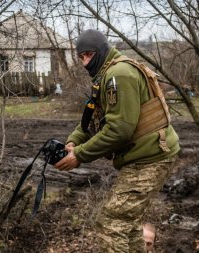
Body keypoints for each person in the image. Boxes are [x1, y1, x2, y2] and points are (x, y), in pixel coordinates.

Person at [54, 29, 180, 252]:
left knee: (111, 223)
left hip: (150, 158)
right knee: (128, 225)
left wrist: (80, 155)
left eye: (89, 55)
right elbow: (92, 120)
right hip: (146, 157)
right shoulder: (108, 73)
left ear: (102, 51)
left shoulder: (117, 75)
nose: (85, 63)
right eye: (81, 57)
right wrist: (73, 141)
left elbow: (119, 129)